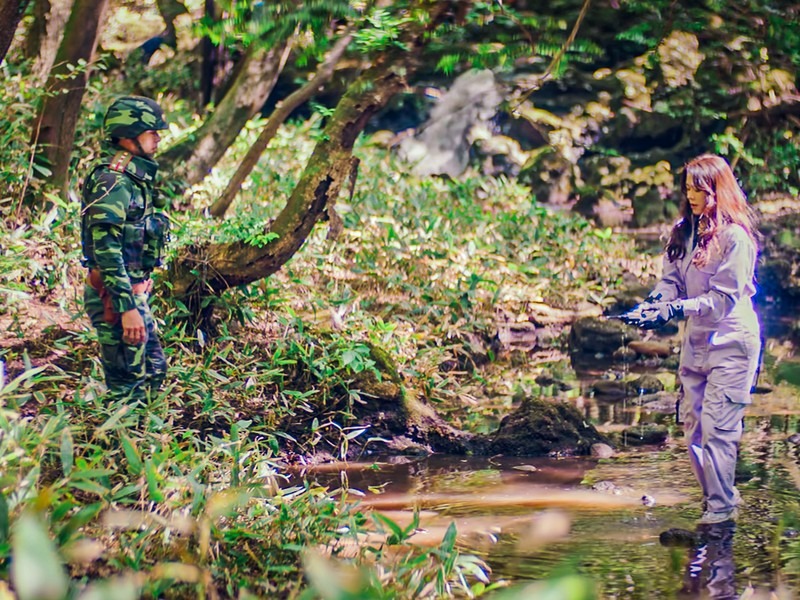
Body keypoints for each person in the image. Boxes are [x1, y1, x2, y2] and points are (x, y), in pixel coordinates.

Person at [621, 154, 761, 525]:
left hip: (732, 343)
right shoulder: (683, 232)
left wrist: (675, 311)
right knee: (694, 428)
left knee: (718, 429)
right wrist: (655, 302)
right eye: (687, 188)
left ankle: (720, 513)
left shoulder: (736, 238)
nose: (693, 195)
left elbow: (720, 301)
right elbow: (672, 281)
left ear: (717, 190)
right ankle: (719, 498)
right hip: (695, 344)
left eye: (699, 189)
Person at [80, 96, 171, 402]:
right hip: (116, 298)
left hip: (131, 293)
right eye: (151, 131)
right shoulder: (113, 180)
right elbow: (106, 249)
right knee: (128, 389)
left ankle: (141, 442)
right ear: (128, 135)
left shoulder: (133, 176)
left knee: (154, 370)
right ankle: (121, 443)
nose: (158, 138)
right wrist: (126, 306)